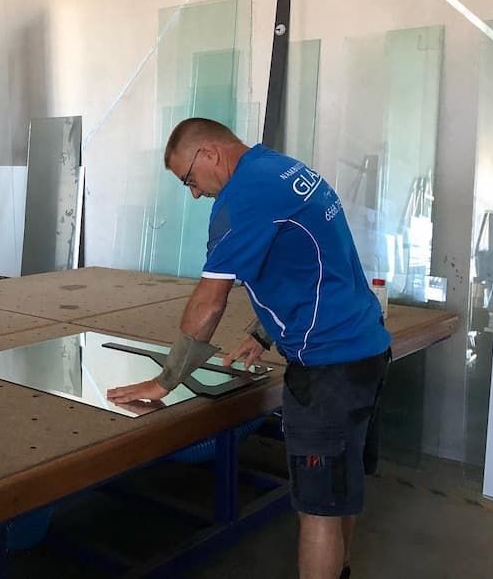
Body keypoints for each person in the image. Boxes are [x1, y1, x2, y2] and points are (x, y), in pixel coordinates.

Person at [107, 118, 391, 579]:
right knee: (342, 489)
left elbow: (209, 302)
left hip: (328, 370)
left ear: (210, 154)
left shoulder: (243, 198)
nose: (195, 193)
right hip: (367, 351)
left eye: (188, 179)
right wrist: (264, 333)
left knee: (317, 512)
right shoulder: (283, 170)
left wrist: (166, 380)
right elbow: (312, 264)